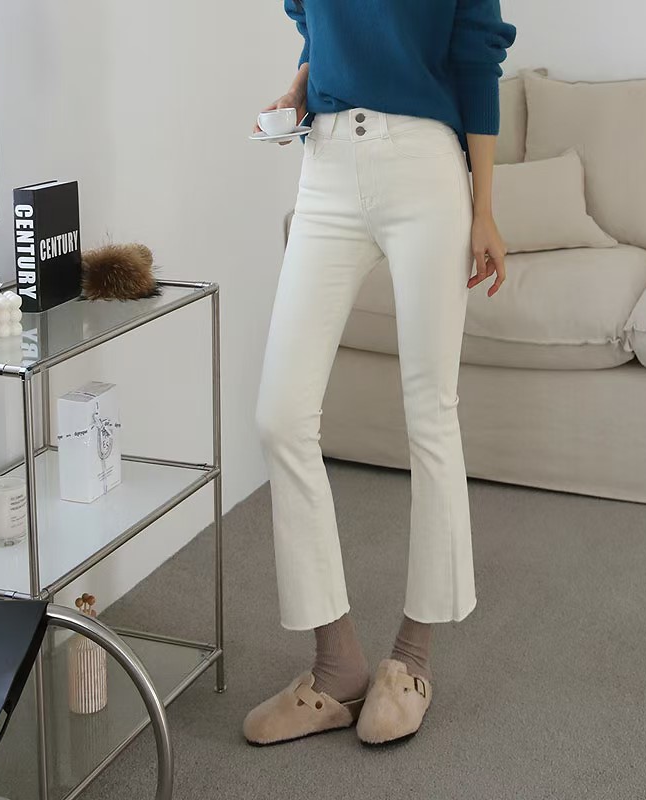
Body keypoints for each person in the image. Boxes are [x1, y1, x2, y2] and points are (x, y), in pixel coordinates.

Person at [244, 0, 517, 747]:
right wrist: (297, 88)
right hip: (326, 165)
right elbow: (318, 30)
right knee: (280, 416)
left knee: (430, 411)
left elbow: (477, 59)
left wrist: (484, 208)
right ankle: (337, 668)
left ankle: (413, 660)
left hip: (424, 167)